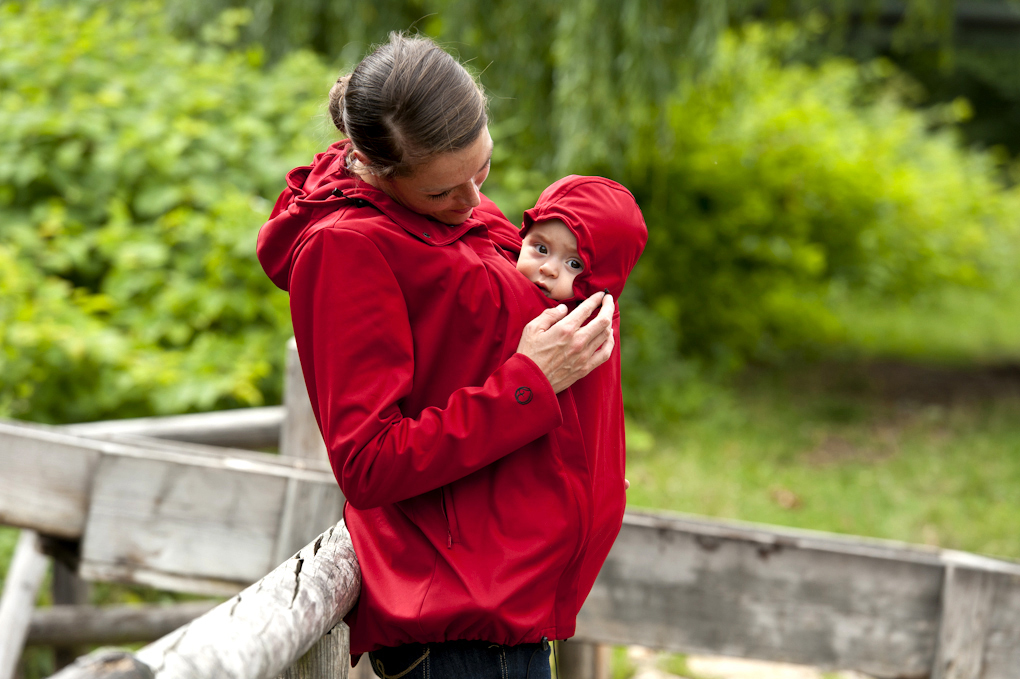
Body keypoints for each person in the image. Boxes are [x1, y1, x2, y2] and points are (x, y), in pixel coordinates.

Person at [257, 33, 626, 679]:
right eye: (441, 193)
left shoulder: (443, 213)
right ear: (380, 169)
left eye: (479, 172)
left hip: (507, 611)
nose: (472, 202)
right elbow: (367, 461)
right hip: (459, 634)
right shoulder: (346, 250)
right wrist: (530, 382)